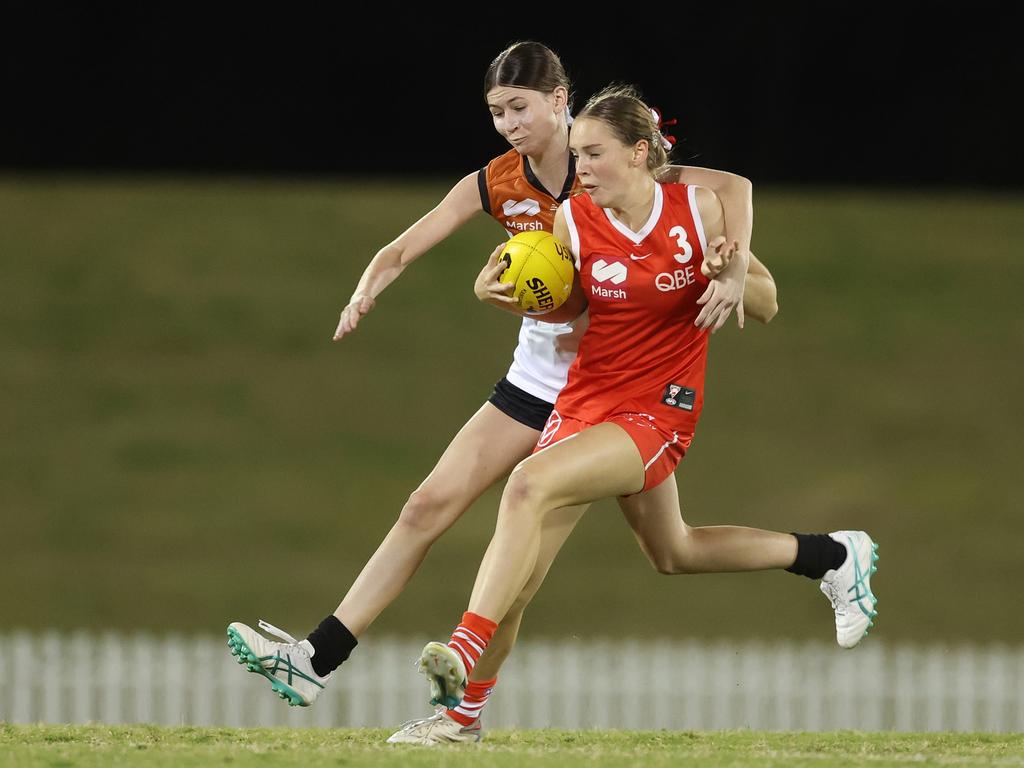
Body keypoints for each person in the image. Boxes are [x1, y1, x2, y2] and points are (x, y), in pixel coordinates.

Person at [225, 41, 767, 742]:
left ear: (559, 98)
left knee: (634, 556)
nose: (509, 124)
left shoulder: (604, 156)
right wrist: (370, 286)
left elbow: (726, 191)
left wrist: (733, 273)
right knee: (427, 506)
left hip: (611, 386)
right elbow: (406, 245)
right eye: (496, 112)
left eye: (519, 108)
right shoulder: (498, 181)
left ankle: (461, 705)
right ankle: (314, 659)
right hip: (538, 378)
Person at [412, 84, 880, 735]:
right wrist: (503, 295)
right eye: (576, 155)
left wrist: (733, 273)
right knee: (667, 552)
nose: (581, 170)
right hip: (585, 405)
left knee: (526, 487)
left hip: (658, 413)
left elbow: (767, 303)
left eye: (594, 154)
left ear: (639, 154)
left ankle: (461, 650)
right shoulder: (573, 219)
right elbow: (569, 306)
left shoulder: (698, 213)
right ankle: (829, 556)